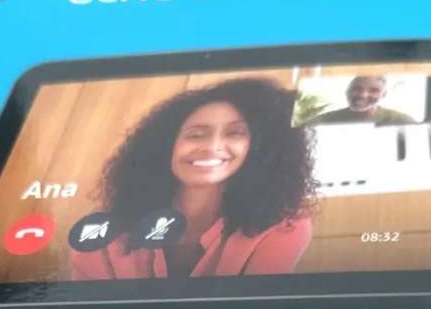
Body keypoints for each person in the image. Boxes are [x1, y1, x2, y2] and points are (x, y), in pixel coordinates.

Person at [71, 78, 315, 280]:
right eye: (196, 135)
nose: (211, 146)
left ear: (260, 149)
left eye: (235, 133)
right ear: (166, 146)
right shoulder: (102, 237)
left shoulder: (285, 226)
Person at [294, 74, 416, 127]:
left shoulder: (402, 121)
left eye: (374, 90)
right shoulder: (318, 122)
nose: (363, 95)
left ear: (383, 95)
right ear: (347, 91)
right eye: (357, 89)